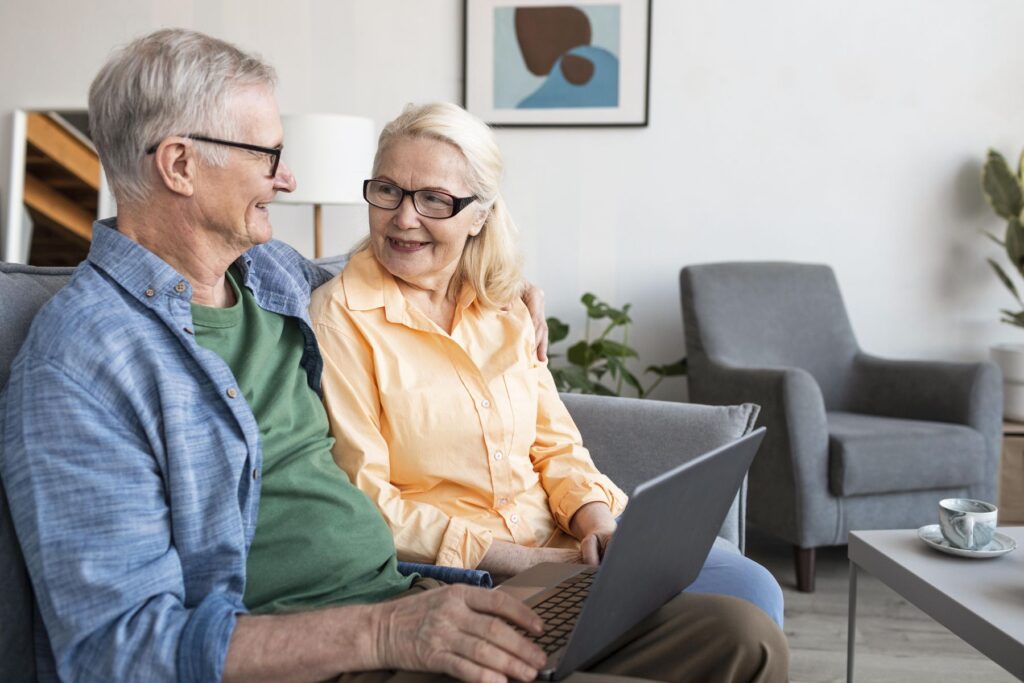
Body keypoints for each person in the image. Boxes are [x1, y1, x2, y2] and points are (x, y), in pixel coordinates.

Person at [0, 28, 788, 683]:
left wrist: (507, 291)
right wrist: (383, 633)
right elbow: (117, 647)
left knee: (737, 632)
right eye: (266, 155)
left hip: (422, 593)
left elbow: (396, 280)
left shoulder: (267, 276)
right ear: (179, 165)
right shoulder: (82, 364)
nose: (289, 177)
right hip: (332, 650)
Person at [309, 102, 784, 624]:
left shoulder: (503, 303)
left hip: (560, 544)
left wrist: (598, 527)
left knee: (751, 586)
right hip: (468, 572)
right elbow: (369, 503)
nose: (404, 217)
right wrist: (533, 562)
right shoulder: (339, 319)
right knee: (727, 623)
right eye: (387, 190)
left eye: (434, 200)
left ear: (480, 216)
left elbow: (555, 446)